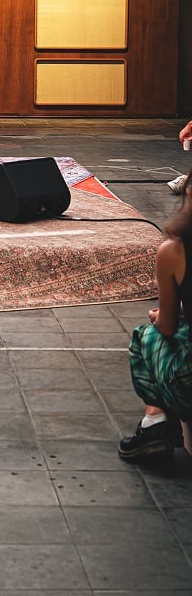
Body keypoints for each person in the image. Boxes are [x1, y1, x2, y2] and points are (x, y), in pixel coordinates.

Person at [118, 167, 192, 459]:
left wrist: (158, 317)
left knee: (145, 336)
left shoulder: (175, 251)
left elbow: (167, 327)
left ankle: (154, 421)